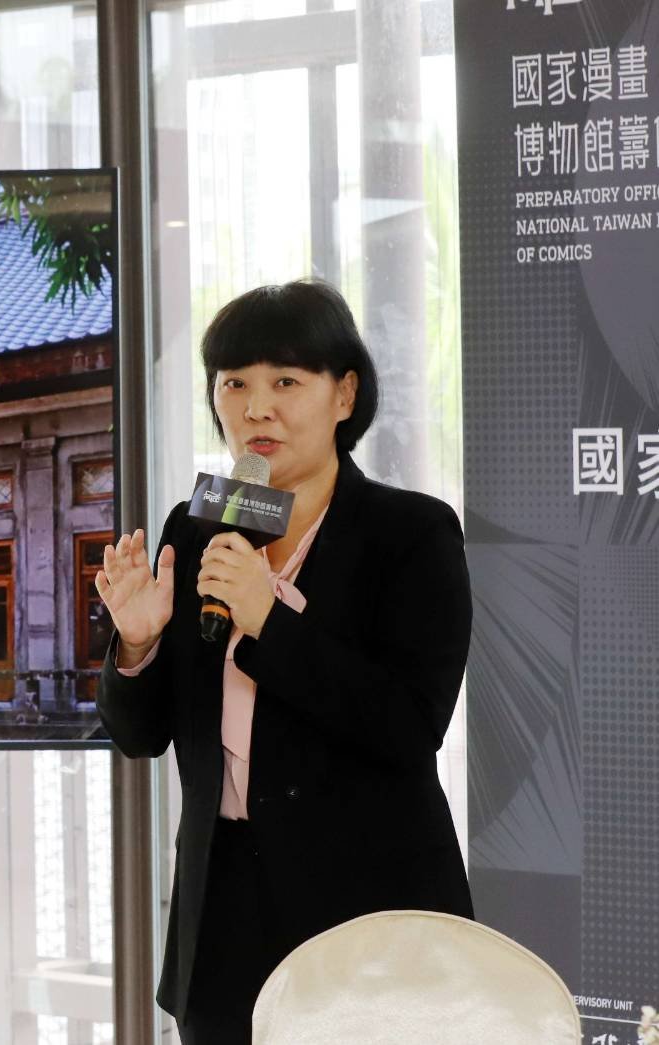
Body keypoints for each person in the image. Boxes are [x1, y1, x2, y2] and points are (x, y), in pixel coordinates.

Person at [94, 279, 473, 1044]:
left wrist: (267, 617)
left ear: (344, 395)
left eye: (285, 382)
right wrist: (135, 644)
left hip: (367, 915)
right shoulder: (196, 525)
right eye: (234, 382)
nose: (254, 407)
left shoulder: (411, 533)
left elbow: (406, 726)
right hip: (221, 913)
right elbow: (142, 734)